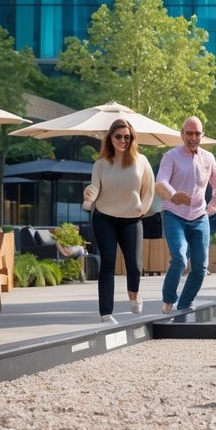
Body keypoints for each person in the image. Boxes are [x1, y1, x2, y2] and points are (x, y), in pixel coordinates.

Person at [83, 118, 155, 324]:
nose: (123, 140)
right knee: (107, 263)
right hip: (104, 218)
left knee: (135, 266)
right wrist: (88, 195)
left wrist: (142, 209)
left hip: (132, 219)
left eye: (127, 136)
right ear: (110, 139)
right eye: (118, 136)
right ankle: (106, 313)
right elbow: (94, 190)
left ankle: (134, 294)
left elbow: (149, 189)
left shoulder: (141, 161)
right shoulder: (101, 164)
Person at [155, 116, 216, 314]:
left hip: (199, 216)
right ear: (182, 134)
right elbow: (161, 181)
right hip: (174, 214)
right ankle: (169, 299)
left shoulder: (208, 158)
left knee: (201, 266)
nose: (193, 137)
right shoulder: (170, 156)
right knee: (179, 257)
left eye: (197, 134)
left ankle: (185, 303)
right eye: (189, 133)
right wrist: (173, 194)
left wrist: (214, 205)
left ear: (202, 135)